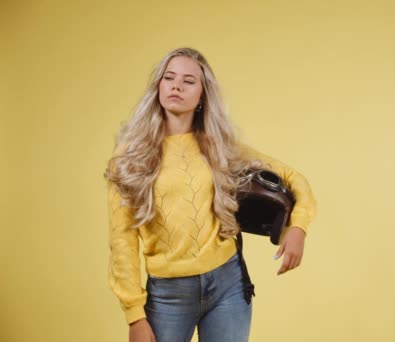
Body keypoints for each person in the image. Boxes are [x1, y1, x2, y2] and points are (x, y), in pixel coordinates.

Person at [103, 47, 317, 342]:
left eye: (189, 81)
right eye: (169, 78)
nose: (176, 85)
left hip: (228, 283)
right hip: (168, 296)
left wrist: (299, 228)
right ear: (159, 86)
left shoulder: (218, 146)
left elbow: (294, 179)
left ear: (202, 95)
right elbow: (122, 240)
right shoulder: (130, 156)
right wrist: (135, 316)